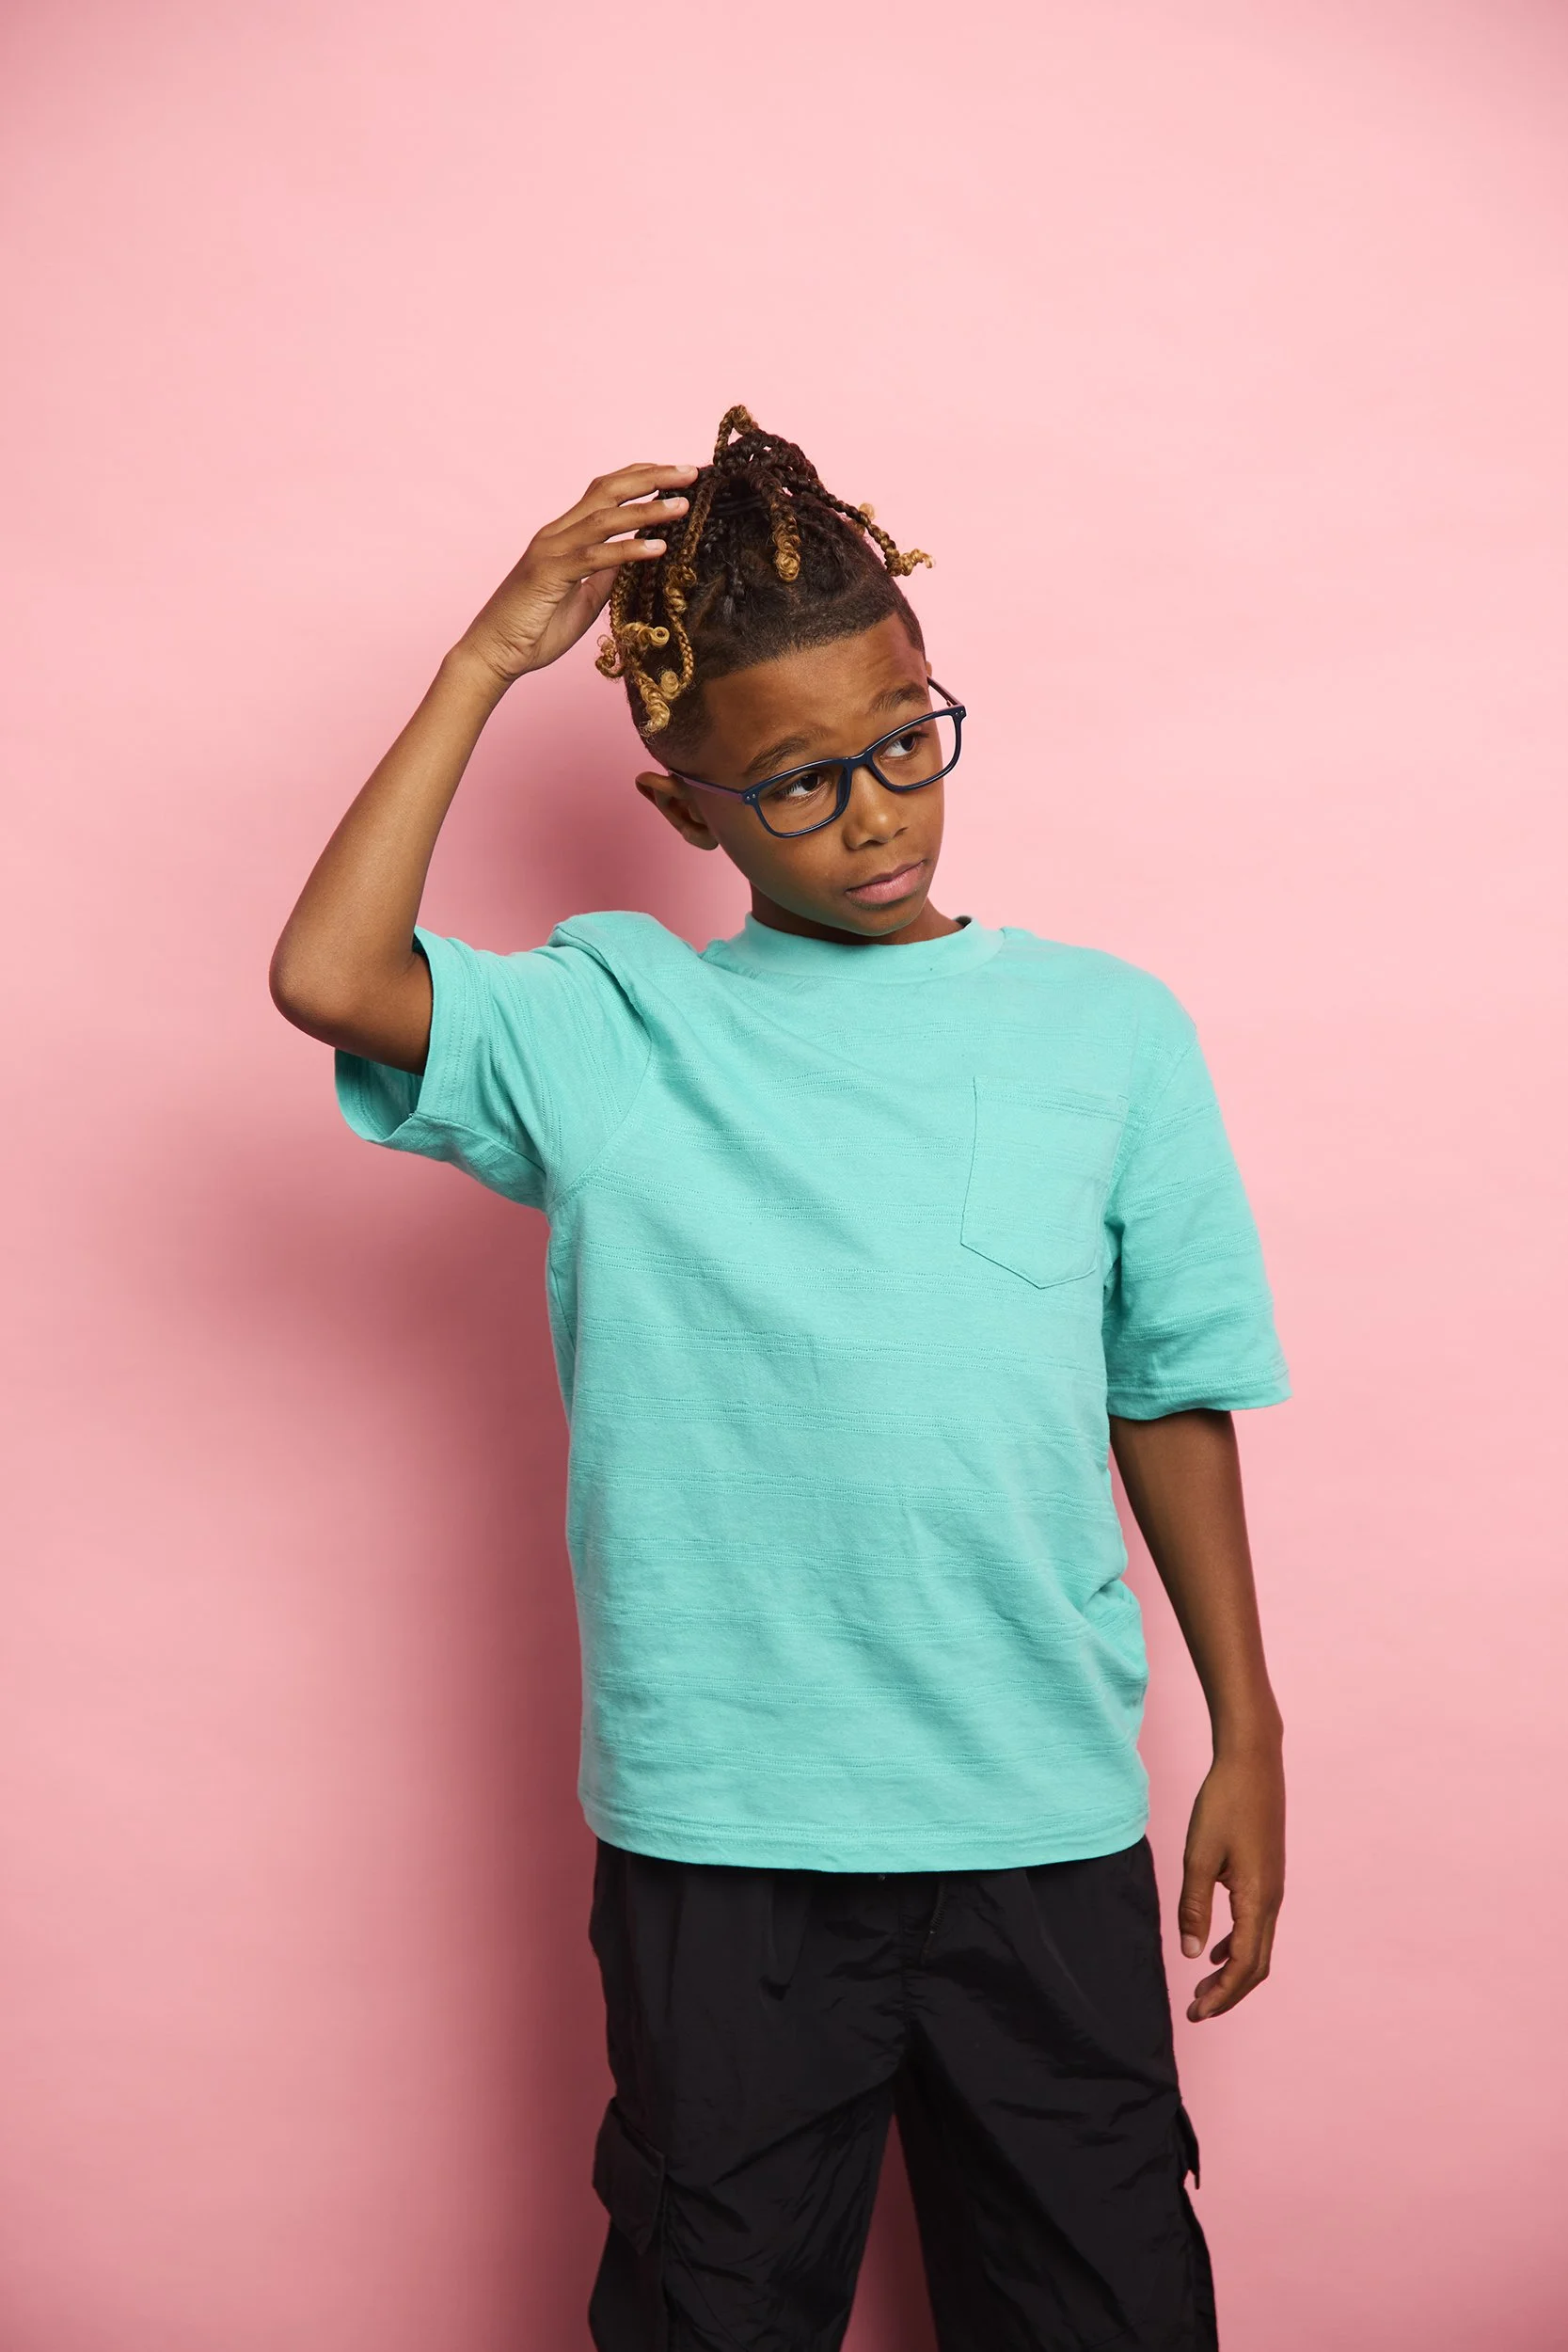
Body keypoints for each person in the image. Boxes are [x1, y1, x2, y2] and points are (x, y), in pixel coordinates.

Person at [271, 405, 1291, 2352]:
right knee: (711, 2310)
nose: (878, 812)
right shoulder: (611, 1026)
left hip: (1033, 1815)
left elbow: (1166, 1386)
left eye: (906, 740)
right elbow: (329, 972)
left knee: (1107, 2309)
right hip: (723, 1836)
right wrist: (485, 659)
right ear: (691, 813)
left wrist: (1246, 1725)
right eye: (802, 782)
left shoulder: (1104, 1030)